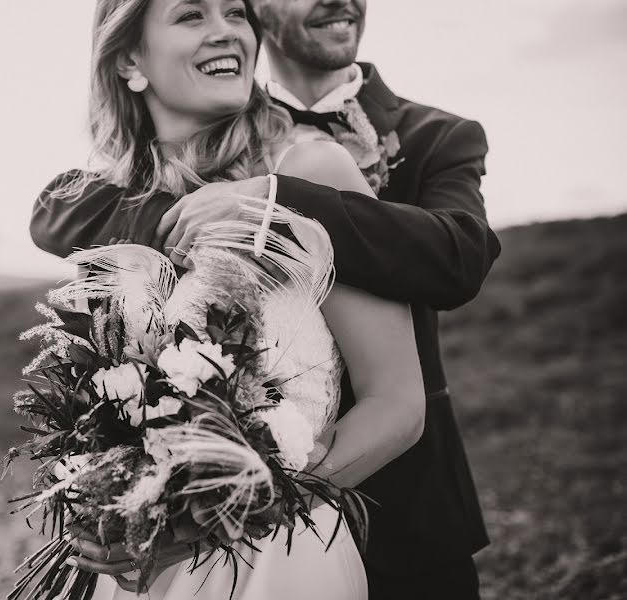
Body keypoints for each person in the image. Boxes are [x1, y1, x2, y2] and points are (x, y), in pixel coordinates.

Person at [32, 1, 501, 598]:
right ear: (128, 58)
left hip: (280, 552)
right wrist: (107, 499)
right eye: (191, 16)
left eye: (234, 12)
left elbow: (398, 403)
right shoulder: (105, 203)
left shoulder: (311, 168)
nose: (225, 30)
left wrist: (215, 520)